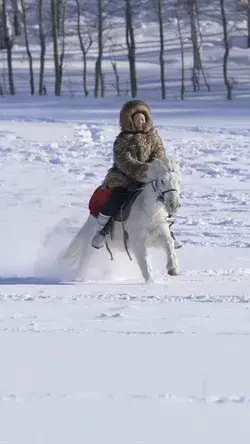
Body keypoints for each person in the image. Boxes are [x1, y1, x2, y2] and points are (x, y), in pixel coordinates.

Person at [91, 100, 182, 249]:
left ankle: (168, 231)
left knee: (163, 196)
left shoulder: (154, 136)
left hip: (150, 176)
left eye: (143, 119)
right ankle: (103, 231)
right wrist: (142, 169)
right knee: (117, 198)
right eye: (137, 119)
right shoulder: (122, 139)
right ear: (130, 121)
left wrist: (154, 168)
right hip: (125, 177)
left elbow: (159, 153)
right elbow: (123, 160)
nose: (141, 121)